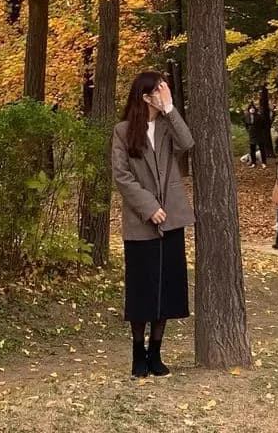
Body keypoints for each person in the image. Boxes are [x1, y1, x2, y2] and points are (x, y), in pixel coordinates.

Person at [111, 71, 194, 379]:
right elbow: (121, 176)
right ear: (146, 97)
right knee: (143, 289)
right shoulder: (122, 132)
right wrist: (149, 207)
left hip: (172, 218)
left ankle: (156, 352)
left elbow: (187, 143)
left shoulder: (167, 126)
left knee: (168, 288)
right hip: (140, 220)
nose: (166, 94)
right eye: (161, 91)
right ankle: (138, 353)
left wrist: (171, 109)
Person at [245, 103, 267, 167]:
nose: (252, 109)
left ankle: (264, 163)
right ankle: (253, 163)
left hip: (259, 134)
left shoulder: (259, 116)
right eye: (251, 108)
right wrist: (249, 130)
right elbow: (246, 125)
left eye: (253, 108)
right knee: (252, 149)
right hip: (251, 135)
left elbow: (263, 125)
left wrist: (262, 132)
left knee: (262, 149)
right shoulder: (246, 116)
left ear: (255, 109)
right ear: (249, 109)